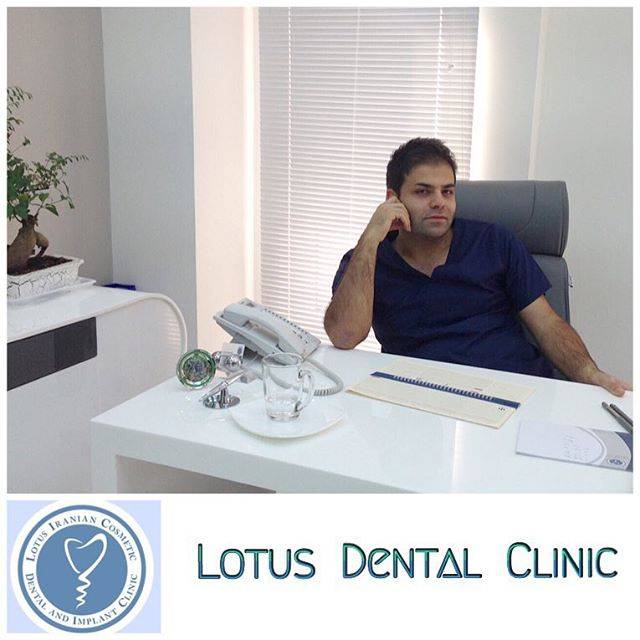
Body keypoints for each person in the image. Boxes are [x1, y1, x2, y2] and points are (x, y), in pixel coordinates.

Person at [324, 137, 631, 396]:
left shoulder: (494, 242)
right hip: (421, 398)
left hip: (511, 388)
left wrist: (590, 374)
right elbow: (344, 336)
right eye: (423, 191)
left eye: (447, 191)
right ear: (393, 199)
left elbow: (547, 324)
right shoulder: (366, 260)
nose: (439, 202)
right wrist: (370, 239)